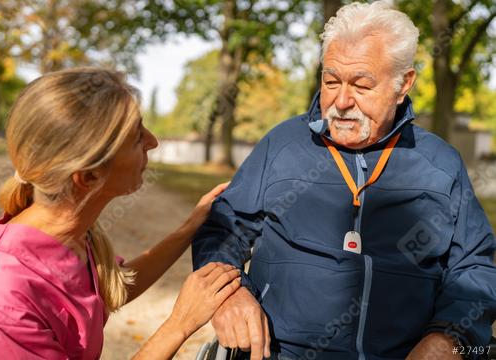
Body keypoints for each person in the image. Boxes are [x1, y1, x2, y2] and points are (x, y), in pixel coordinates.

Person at [192, 2, 496, 359]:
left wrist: (449, 338)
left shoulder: (441, 164)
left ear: (403, 84)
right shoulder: (282, 145)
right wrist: (231, 294)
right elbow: (223, 229)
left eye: (361, 85)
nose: (341, 100)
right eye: (331, 81)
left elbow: (475, 266)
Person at [0, 67, 241, 359]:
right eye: (135, 137)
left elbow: (111, 287)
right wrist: (179, 324)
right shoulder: (2, 303)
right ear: (88, 177)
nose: (153, 141)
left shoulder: (70, 235)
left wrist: (190, 227)